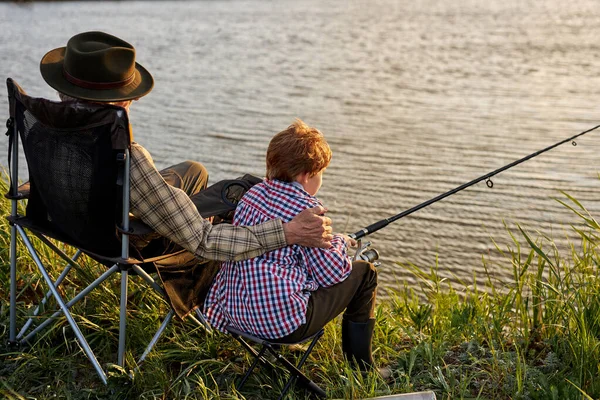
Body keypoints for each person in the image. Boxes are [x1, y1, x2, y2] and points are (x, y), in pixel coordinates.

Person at [38, 31, 333, 315]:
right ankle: (237, 305)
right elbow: (203, 241)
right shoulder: (125, 156)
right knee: (232, 198)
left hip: (71, 220)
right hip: (125, 238)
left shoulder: (47, 125)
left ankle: (186, 207)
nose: (134, 102)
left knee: (194, 171)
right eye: (129, 98)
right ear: (119, 103)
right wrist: (287, 232)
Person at [204, 120, 383, 373]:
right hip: (281, 327)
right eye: (321, 173)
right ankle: (362, 369)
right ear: (307, 174)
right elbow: (332, 275)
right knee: (364, 273)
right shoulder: (307, 212)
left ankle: (274, 347)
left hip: (234, 315)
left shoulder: (250, 195)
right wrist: (340, 243)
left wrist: (332, 241)